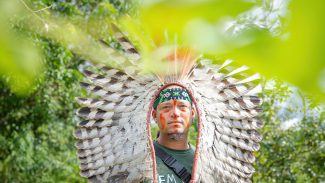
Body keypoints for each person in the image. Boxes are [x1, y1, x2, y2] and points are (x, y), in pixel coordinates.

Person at [144, 85, 196, 183]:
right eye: (166, 107)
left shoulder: (207, 163)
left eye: (182, 107)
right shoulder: (138, 161)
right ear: (155, 116)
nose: (175, 113)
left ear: (192, 113)